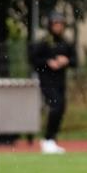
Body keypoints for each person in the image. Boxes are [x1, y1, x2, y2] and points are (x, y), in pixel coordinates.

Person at [29, 12, 77, 154]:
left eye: (61, 24)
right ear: (50, 25)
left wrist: (66, 61)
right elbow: (34, 60)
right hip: (47, 81)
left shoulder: (66, 42)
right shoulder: (44, 42)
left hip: (60, 81)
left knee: (61, 107)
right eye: (56, 24)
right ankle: (47, 139)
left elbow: (75, 61)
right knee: (55, 106)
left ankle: (52, 138)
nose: (58, 27)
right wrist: (48, 62)